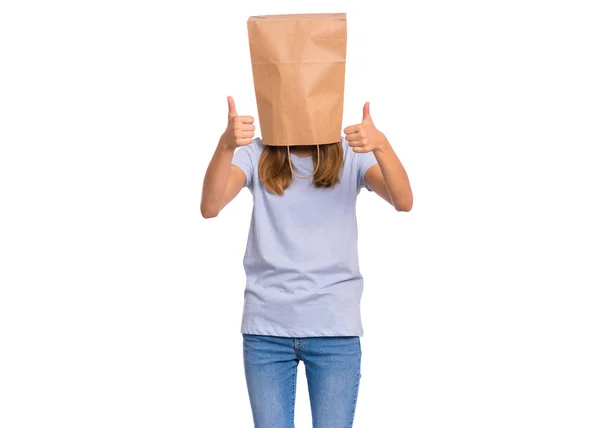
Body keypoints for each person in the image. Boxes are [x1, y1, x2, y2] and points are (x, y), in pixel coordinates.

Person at [200, 96, 413, 428]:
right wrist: (225, 146)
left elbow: (403, 201)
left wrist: (381, 146)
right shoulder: (255, 154)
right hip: (266, 330)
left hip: (334, 328)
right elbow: (210, 206)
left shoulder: (350, 156)